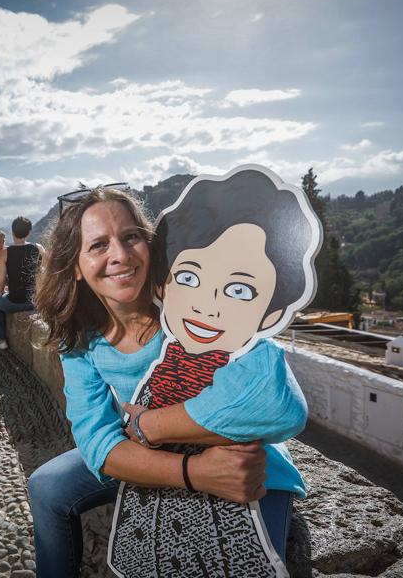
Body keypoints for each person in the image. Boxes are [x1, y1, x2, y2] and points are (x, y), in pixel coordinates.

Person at [28, 188, 279, 578]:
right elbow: (96, 442)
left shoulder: (193, 300)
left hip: (241, 462)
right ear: (75, 266)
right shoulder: (79, 339)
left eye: (130, 237)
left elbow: (270, 402)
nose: (121, 256)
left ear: (149, 243)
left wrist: (151, 427)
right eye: (98, 245)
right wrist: (192, 473)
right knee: (45, 486)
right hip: (165, 456)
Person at [108, 168, 317, 576]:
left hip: (251, 486)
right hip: (161, 501)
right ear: (164, 286)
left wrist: (152, 425)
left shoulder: (255, 359)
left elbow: (279, 408)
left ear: (273, 311)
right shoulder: (166, 350)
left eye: (239, 290)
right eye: (189, 278)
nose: (207, 306)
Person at [0, 217, 42, 350]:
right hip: (33, 302)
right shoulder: (38, 248)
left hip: (15, 302)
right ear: (29, 232)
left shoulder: (5, 253)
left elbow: (1, 282)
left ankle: (1, 340)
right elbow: (45, 273)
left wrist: (1, 293)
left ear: (12, 232)